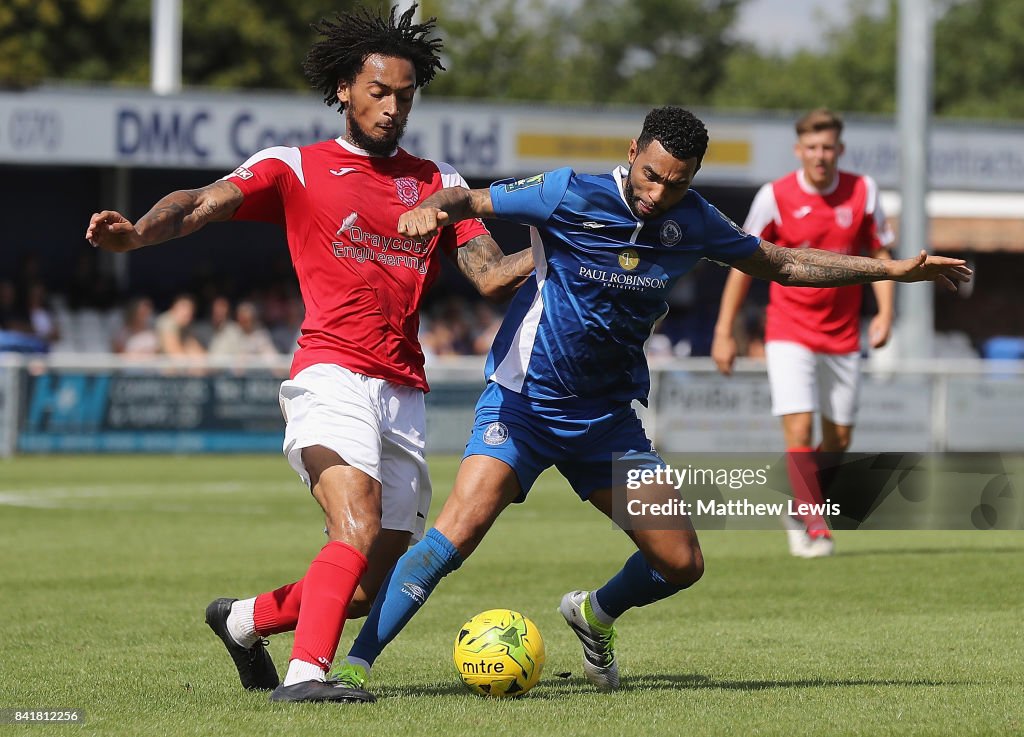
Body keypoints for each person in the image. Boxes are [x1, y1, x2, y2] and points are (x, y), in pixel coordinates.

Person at [333, 106, 970, 694]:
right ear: (633, 150)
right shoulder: (569, 191)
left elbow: (782, 263)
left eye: (675, 182)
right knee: (458, 531)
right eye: (651, 175)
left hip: (607, 421)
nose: (657, 193)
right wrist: (435, 210)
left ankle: (593, 613)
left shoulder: (693, 220)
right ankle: (357, 667)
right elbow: (470, 198)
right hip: (523, 404)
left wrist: (887, 271)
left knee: (681, 561)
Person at [85, 4, 531, 704]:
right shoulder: (294, 165)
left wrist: (564, 242)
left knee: (358, 590)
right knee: (353, 521)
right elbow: (202, 201)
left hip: (405, 393)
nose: (391, 108)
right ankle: (305, 676)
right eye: (379, 92)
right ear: (344, 90)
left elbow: (489, 274)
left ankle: (242, 620)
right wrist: (137, 234)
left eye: (405, 96)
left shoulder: (439, 180)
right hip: (330, 376)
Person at [711, 108, 895, 558]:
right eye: (812, 147)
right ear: (799, 151)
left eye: (828, 147)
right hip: (789, 329)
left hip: (842, 334)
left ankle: (799, 501)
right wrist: (724, 331)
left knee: (840, 439)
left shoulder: (864, 191)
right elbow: (742, 263)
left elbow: (882, 253)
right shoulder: (774, 196)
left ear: (840, 150)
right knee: (799, 426)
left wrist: (886, 313)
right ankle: (814, 522)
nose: (820, 155)